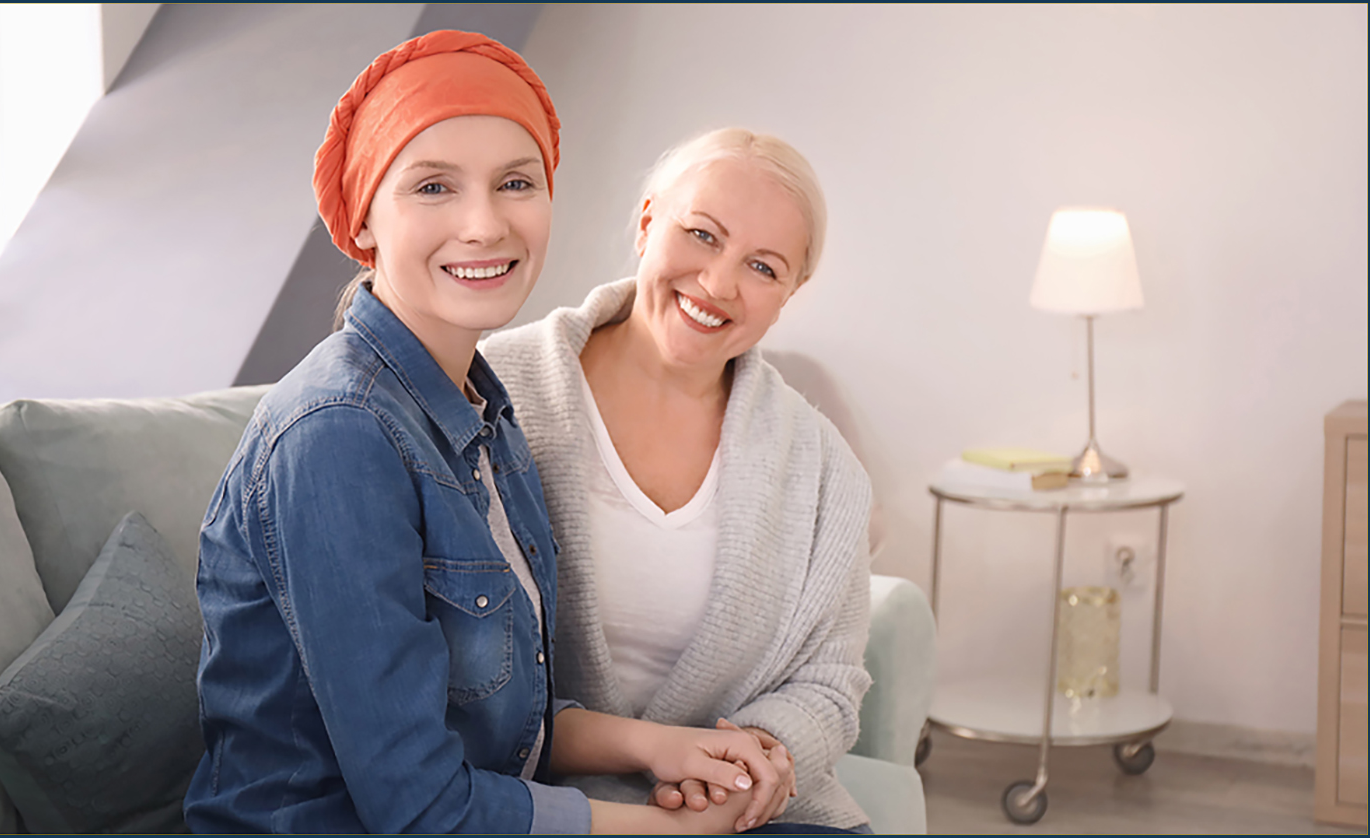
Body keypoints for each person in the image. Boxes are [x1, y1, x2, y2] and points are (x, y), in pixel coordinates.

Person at [184, 33, 789, 834]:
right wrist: (673, 831)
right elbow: (421, 807)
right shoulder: (338, 436)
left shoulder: (483, 409)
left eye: (515, 183)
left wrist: (660, 748)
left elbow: (499, 719)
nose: (484, 225)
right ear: (364, 220)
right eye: (433, 187)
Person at [482, 128, 875, 832]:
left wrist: (749, 764)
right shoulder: (491, 391)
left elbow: (831, 681)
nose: (720, 284)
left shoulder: (824, 469)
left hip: (751, 812)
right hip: (538, 799)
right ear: (645, 223)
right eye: (701, 235)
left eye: (763, 267)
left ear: (791, 290)